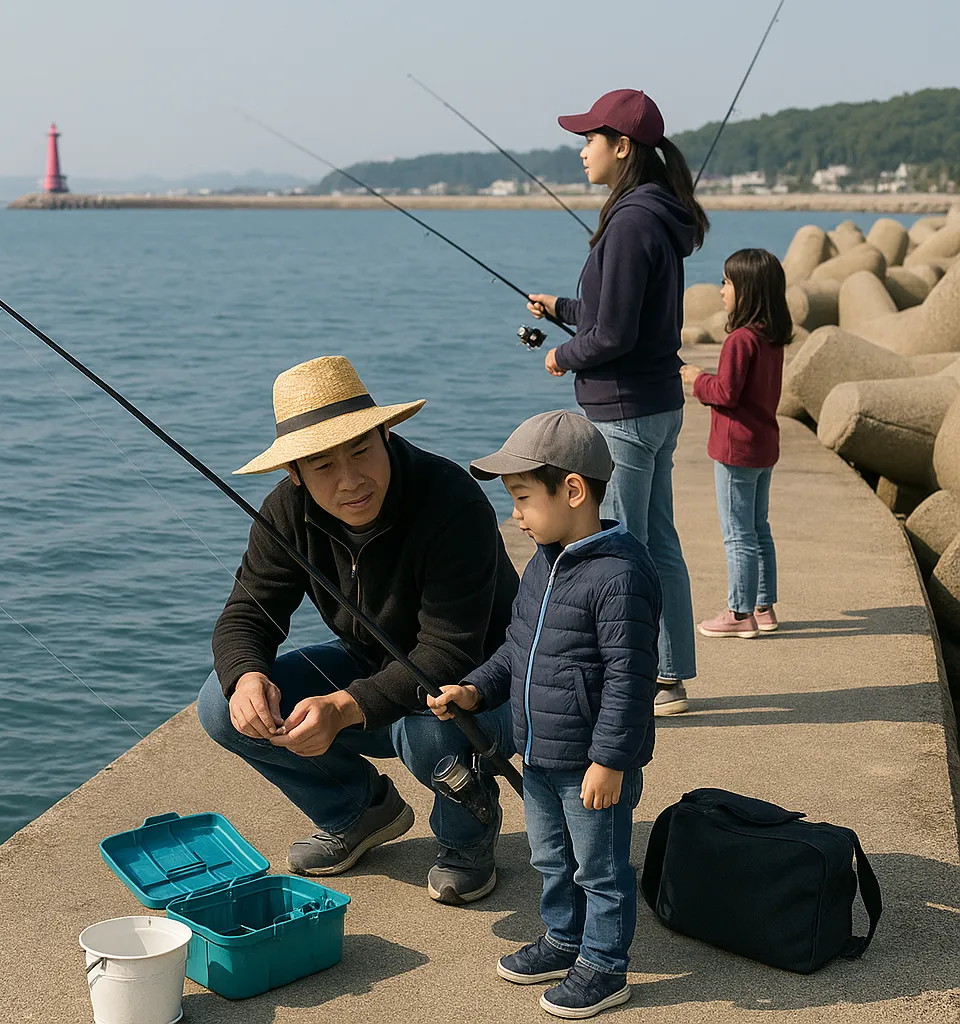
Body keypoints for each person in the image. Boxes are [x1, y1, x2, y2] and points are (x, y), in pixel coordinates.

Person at [197, 355, 519, 905]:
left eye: (361, 450)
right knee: (219, 705)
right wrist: (246, 677)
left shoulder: (451, 499)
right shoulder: (286, 511)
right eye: (322, 466)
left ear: (385, 433)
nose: (351, 481)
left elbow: (450, 650)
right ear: (293, 473)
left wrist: (344, 708)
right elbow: (248, 614)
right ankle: (360, 809)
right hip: (372, 659)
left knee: (430, 731)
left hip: (484, 681)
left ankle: (467, 837)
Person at [429, 410, 662, 1019]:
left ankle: (606, 966)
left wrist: (610, 761)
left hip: (589, 763)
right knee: (550, 858)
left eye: (525, 499)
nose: (517, 514)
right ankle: (564, 940)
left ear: (574, 491)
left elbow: (631, 680)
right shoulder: (545, 561)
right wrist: (476, 691)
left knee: (601, 868)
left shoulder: (621, 574)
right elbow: (517, 648)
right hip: (537, 753)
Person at [526, 88, 709, 717]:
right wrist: (561, 310)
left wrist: (561, 356)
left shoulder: (631, 222)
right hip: (655, 402)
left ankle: (649, 679)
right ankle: (669, 670)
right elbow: (614, 316)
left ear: (621, 146)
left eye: (589, 139)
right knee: (657, 537)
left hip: (626, 409)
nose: (581, 151)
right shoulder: (652, 214)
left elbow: (613, 336)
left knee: (628, 547)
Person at [680, 248, 793, 637]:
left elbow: (725, 393)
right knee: (759, 528)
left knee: (737, 533)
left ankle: (739, 613)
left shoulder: (740, 340)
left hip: (736, 451)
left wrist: (695, 378)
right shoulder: (771, 338)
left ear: (746, 291)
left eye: (727, 282)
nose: (721, 289)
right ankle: (764, 607)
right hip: (764, 447)